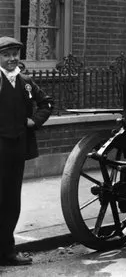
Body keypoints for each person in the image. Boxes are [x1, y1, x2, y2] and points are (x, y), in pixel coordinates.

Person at [0, 37, 53, 266]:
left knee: (12, 202)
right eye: (6, 55)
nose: (12, 59)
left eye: (15, 54)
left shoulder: (26, 81)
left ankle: (7, 253)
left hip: (17, 149)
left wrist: (34, 121)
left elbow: (47, 103)